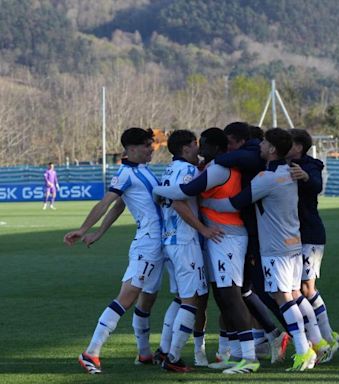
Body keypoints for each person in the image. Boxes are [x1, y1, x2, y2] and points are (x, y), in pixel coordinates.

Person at [200, 128, 318, 371]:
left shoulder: (267, 177)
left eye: (264, 142)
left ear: (273, 149)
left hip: (276, 247)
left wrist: (203, 202)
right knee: (292, 296)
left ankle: (304, 350)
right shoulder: (288, 172)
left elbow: (235, 202)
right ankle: (309, 344)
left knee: (283, 298)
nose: (260, 146)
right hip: (292, 243)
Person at [153, 127, 260, 374]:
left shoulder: (218, 169)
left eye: (204, 144)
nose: (200, 149)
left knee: (230, 295)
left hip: (226, 237)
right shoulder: (205, 168)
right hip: (210, 239)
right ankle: (233, 353)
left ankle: (250, 357)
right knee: (220, 297)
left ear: (214, 147)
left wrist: (157, 190)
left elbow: (183, 194)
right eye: (196, 144)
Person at [64, 127, 164, 374]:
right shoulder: (125, 174)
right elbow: (106, 202)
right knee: (127, 297)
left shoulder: (142, 170)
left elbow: (120, 205)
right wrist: (84, 228)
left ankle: (143, 353)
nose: (151, 148)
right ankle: (91, 352)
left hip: (159, 244)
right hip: (147, 244)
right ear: (131, 149)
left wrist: (99, 233)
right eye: (146, 145)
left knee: (147, 300)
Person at [217, 122, 289, 363]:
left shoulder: (249, 157)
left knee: (262, 290)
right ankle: (267, 336)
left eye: (228, 143)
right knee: (246, 289)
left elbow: (236, 200)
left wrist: (213, 159)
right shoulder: (253, 158)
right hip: (254, 232)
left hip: (253, 233)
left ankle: (298, 336)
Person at [153, 129, 221, 372]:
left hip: (169, 242)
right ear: (185, 149)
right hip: (185, 242)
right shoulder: (189, 171)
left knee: (181, 298)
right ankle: (173, 357)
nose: (198, 149)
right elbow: (180, 202)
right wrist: (202, 228)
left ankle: (163, 350)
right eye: (195, 145)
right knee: (192, 302)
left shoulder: (169, 170)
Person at [287, 128, 339, 362]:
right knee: (295, 288)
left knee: (307, 288)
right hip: (290, 235)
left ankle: (327, 337)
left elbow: (316, 184)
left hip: (309, 234)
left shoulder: (311, 165)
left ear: (298, 147)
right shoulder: (281, 164)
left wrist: (305, 177)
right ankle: (318, 338)